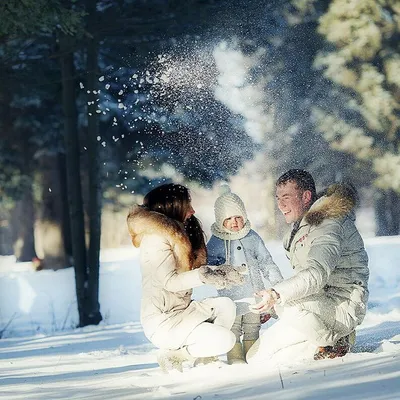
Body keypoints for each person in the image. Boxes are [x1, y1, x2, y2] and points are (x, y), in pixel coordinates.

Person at [247, 169, 369, 364]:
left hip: (343, 306)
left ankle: (335, 341)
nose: (280, 204)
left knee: (275, 352)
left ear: (305, 196)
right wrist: (271, 305)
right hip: (320, 306)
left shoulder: (329, 223)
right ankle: (327, 340)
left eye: (286, 197)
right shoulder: (297, 231)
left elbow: (316, 274)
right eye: (278, 198)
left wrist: (277, 294)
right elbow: (305, 281)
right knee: (255, 357)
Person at [126, 183, 246, 373]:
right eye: (187, 205)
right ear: (171, 206)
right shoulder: (155, 239)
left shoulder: (180, 234)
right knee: (226, 339)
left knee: (226, 305)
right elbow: (170, 282)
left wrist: (220, 271)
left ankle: (206, 358)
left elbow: (195, 273)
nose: (192, 210)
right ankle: (176, 356)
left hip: (184, 312)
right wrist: (206, 276)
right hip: (164, 321)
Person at [207, 185, 283, 364]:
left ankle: (253, 355)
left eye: (238, 217)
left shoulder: (252, 237)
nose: (234, 222)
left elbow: (266, 261)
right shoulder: (216, 241)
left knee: (252, 326)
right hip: (230, 297)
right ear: (220, 220)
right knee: (232, 327)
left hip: (254, 293)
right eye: (229, 218)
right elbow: (209, 267)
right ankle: (235, 358)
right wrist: (219, 273)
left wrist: (277, 283)